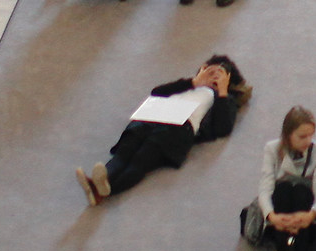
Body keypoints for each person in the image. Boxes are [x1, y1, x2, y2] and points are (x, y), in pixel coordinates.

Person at [74, 55, 248, 207]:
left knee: (142, 158)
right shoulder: (186, 84)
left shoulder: (223, 99)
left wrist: (223, 91)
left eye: (220, 74)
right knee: (124, 152)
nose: (213, 75)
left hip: (178, 127)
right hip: (151, 118)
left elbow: (222, 127)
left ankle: (103, 189)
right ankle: (100, 184)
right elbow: (156, 93)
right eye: (209, 70)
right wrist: (193, 82)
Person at [253, 105, 316, 251]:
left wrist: (311, 214)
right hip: (280, 204)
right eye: (302, 136)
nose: (308, 141)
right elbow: (265, 187)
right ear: (288, 134)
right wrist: (272, 217)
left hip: (305, 205)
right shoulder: (272, 149)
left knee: (300, 190)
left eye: (311, 135)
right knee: (283, 189)